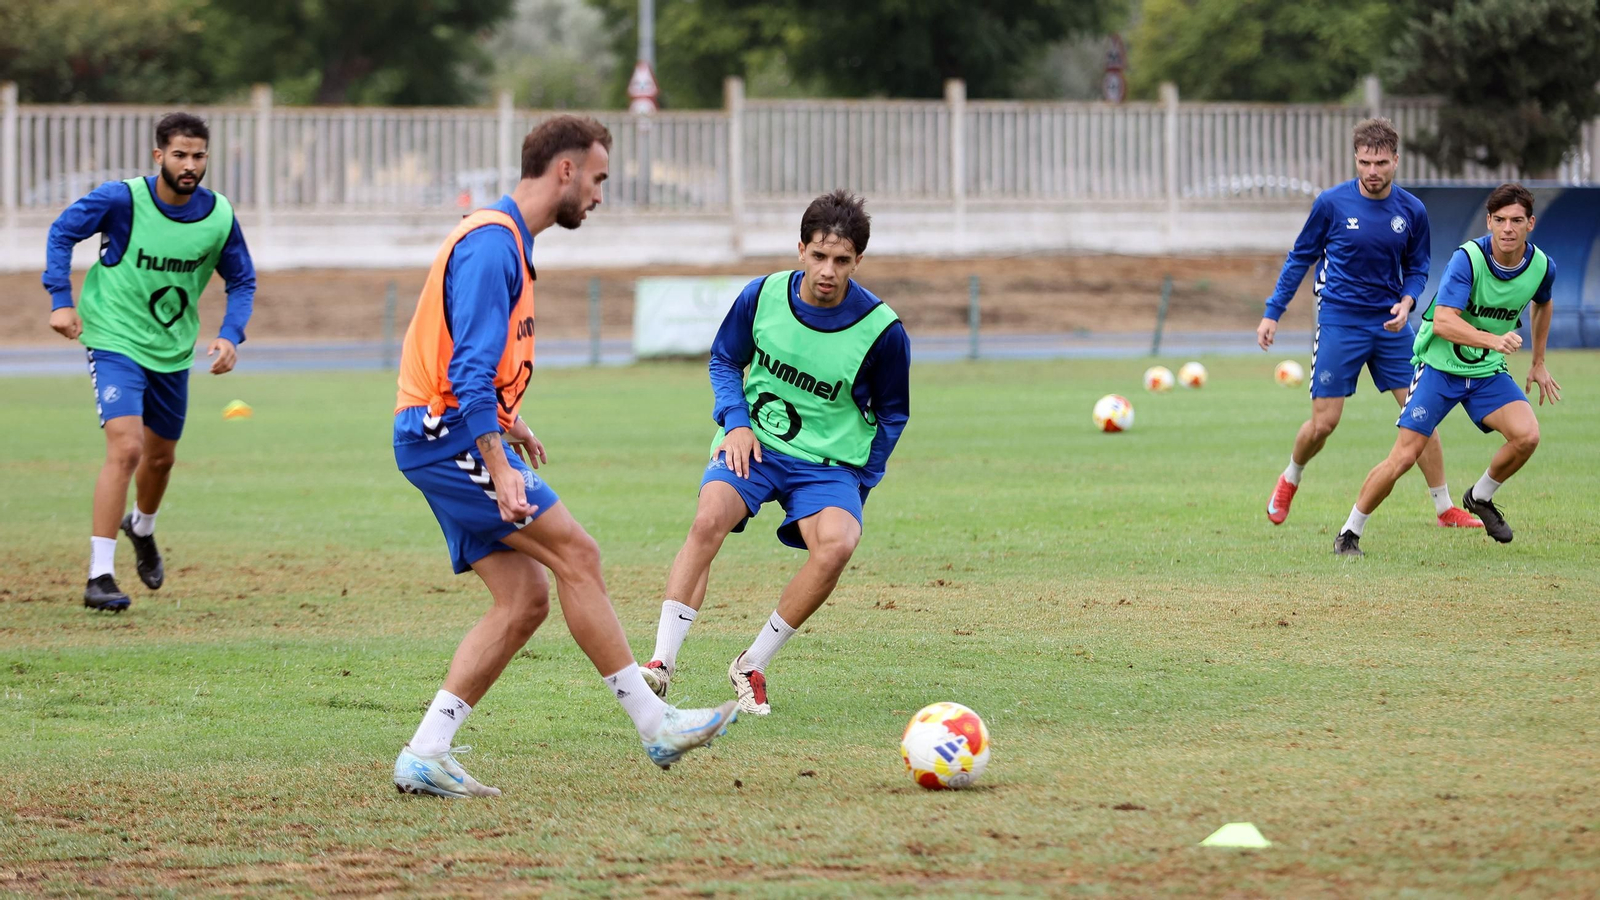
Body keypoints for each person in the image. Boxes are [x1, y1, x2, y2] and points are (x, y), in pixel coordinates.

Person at [390, 116, 737, 799]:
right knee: (579, 554)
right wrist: (497, 465)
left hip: (445, 433)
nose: (601, 196)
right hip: (447, 438)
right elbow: (464, 370)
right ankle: (654, 723)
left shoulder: (504, 239)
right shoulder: (493, 244)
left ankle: (425, 752)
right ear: (566, 170)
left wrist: (509, 420)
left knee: (524, 599)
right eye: (599, 178)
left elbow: (473, 359)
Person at [637, 189, 911, 717]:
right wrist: (736, 423)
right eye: (819, 255)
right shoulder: (760, 296)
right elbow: (724, 359)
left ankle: (751, 664)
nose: (828, 270)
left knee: (837, 545)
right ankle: (660, 665)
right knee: (708, 517)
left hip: (828, 466)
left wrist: (863, 480)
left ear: (858, 261)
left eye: (842, 260)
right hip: (755, 444)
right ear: (801, 249)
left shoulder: (882, 331)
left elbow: (894, 413)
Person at [43, 112, 257, 612]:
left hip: (173, 350)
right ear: (158, 155)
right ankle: (99, 575)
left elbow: (242, 279)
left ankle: (141, 525)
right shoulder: (122, 199)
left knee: (161, 460)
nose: (190, 165)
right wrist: (60, 299)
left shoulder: (219, 215)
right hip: (114, 338)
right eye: (180, 155)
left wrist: (230, 336)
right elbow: (61, 232)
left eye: (198, 155)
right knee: (127, 448)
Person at [1257, 117, 1481, 530]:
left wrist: (1408, 300)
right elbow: (1300, 258)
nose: (1372, 171)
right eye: (1364, 162)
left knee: (1421, 414)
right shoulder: (1331, 204)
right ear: (1355, 161)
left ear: (1396, 160)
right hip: (1340, 322)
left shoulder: (1412, 210)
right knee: (1325, 422)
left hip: (1392, 327)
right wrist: (1273, 312)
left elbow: (1418, 267)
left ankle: (1444, 508)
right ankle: (1291, 477)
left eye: (1380, 162)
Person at [1334, 183, 1559, 556]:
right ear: (1488, 221)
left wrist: (1538, 363)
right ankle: (1349, 532)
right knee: (1405, 455)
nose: (1507, 228)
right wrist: (1493, 340)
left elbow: (1544, 303)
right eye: (1500, 220)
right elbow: (1442, 322)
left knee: (1527, 435)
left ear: (1530, 223)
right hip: (1439, 367)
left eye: (1516, 220)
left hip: (1485, 370)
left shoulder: (1541, 267)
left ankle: (1480, 497)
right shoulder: (1468, 259)